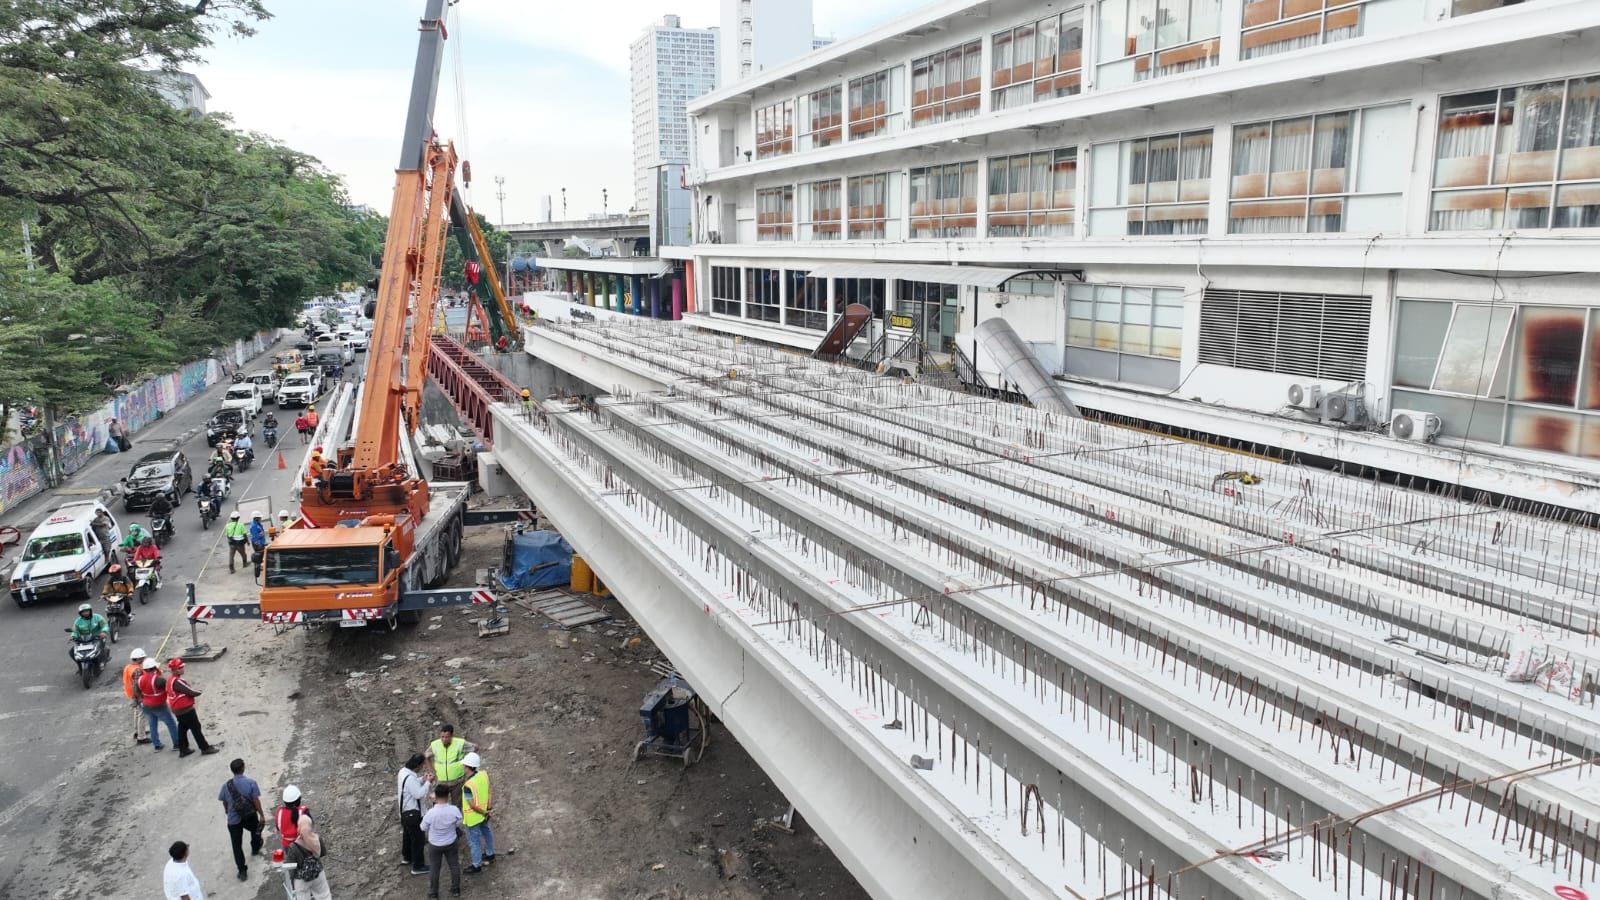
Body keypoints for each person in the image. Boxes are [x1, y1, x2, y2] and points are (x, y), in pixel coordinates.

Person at [218, 758, 265, 881]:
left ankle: (242, 871)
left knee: (236, 845)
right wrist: (261, 814)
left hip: (234, 819)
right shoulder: (251, 783)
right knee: (255, 830)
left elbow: (224, 801)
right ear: (243, 769)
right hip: (249, 814)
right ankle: (255, 847)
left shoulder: (226, 786)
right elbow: (255, 800)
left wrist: (227, 811)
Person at [165, 658, 219, 757]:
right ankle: (204, 747)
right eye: (181, 667)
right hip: (185, 709)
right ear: (176, 669)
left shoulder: (170, 680)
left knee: (183, 727)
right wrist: (200, 692)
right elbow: (190, 692)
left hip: (177, 709)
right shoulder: (177, 681)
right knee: (195, 727)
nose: (183, 668)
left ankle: (183, 749)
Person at [421, 784, 463, 899]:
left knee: (435, 868)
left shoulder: (431, 813)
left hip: (435, 844)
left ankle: (434, 892)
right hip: (450, 842)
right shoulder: (454, 810)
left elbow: (423, 827)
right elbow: (459, 823)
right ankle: (456, 889)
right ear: (448, 795)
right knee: (454, 865)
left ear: (435, 796)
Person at [285, 799, 332, 900]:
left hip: (301, 879)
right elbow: (323, 853)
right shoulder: (317, 838)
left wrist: (294, 878)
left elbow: (290, 867)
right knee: (324, 895)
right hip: (317, 873)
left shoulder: (294, 846)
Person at [425, 724, 477, 806]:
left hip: (457, 781)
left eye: (447, 737)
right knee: (439, 805)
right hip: (441, 782)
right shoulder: (435, 745)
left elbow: (475, 748)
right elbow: (426, 756)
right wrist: (432, 772)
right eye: (442, 737)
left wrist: (468, 763)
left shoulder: (459, 743)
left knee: (457, 805)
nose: (444, 739)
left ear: (452, 736)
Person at [397, 753, 431, 876]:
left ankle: (407, 857)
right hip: (413, 814)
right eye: (422, 765)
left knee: (407, 836)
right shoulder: (410, 778)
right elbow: (418, 794)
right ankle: (418, 866)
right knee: (418, 840)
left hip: (404, 812)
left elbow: (410, 785)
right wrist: (427, 783)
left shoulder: (403, 772)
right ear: (417, 766)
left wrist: (422, 779)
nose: (422, 768)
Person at [460, 752, 494, 873]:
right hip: (485, 813)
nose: (463, 767)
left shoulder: (468, 786)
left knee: (474, 841)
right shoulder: (484, 775)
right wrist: (488, 809)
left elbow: (472, 805)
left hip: (474, 818)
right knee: (487, 831)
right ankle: (490, 853)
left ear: (468, 767)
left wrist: (484, 812)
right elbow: (489, 790)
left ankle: (476, 865)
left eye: (464, 765)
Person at [138, 657, 180, 751]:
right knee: (171, 724)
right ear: (155, 668)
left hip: (146, 705)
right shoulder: (158, 680)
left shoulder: (140, 679)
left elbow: (137, 692)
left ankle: (157, 745)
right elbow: (168, 687)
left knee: (152, 725)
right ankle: (177, 744)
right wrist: (161, 674)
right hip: (159, 705)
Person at [122, 647, 150, 745]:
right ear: (138, 659)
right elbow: (136, 685)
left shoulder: (128, 667)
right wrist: (140, 698)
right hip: (137, 695)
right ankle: (141, 737)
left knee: (137, 713)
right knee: (141, 715)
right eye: (142, 658)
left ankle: (137, 731)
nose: (143, 660)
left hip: (131, 694)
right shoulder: (137, 670)